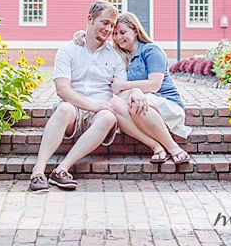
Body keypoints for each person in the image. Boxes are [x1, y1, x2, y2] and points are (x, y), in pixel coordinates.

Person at [28, 0, 127, 193]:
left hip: (99, 114)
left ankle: (62, 170)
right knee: (64, 108)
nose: (108, 29)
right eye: (104, 22)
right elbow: (62, 90)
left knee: (108, 116)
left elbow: (121, 89)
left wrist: (137, 93)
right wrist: (92, 106)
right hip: (73, 110)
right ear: (90, 19)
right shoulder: (68, 50)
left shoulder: (115, 56)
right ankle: (38, 172)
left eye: (112, 25)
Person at [75, 12, 192, 164]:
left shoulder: (151, 50)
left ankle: (173, 147)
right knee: (115, 105)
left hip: (166, 103)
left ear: (136, 31)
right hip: (139, 104)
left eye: (123, 32)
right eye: (115, 33)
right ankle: (155, 145)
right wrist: (82, 34)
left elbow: (154, 84)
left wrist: (125, 87)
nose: (118, 37)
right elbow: (97, 44)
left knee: (136, 102)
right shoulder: (119, 55)